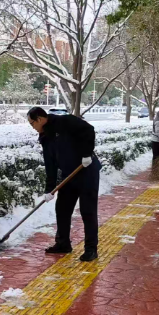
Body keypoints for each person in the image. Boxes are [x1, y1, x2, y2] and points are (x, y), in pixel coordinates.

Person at [27, 107, 101, 262]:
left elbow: (88, 130)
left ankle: (91, 249)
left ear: (40, 119)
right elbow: (50, 164)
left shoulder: (65, 121)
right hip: (69, 174)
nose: (32, 127)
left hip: (86, 170)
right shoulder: (45, 136)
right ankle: (63, 243)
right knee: (62, 209)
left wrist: (87, 154)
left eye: (32, 123)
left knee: (87, 211)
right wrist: (50, 189)